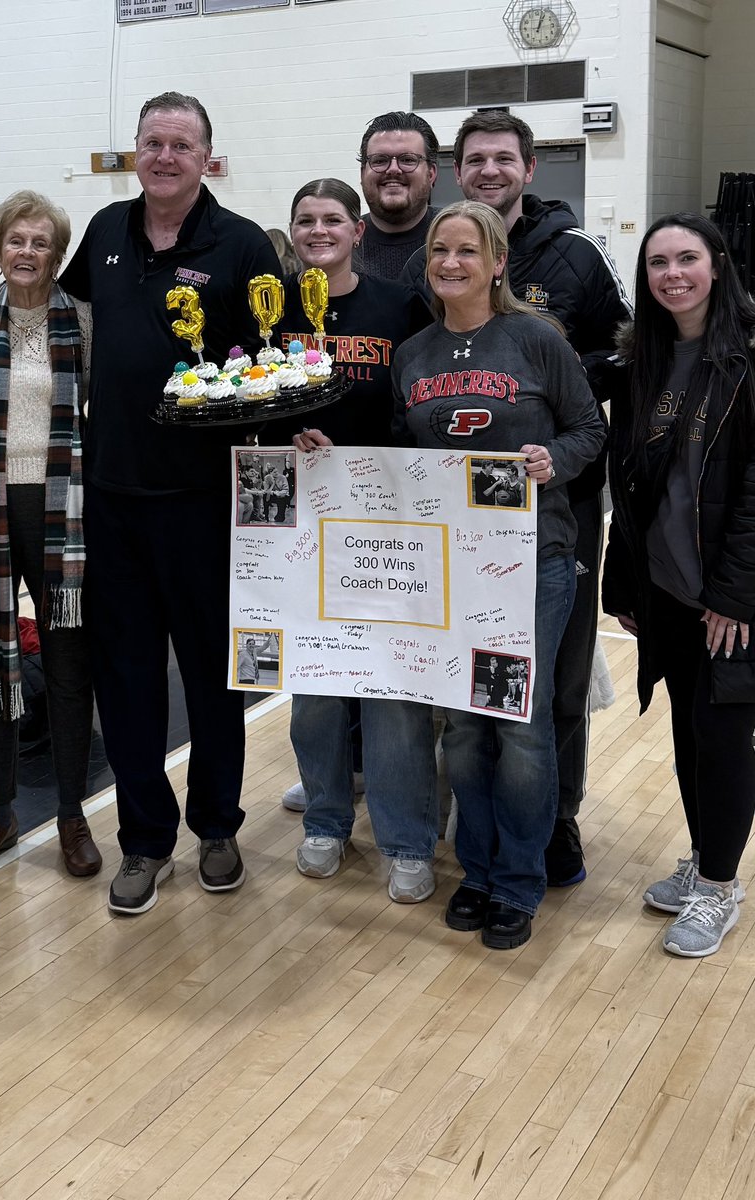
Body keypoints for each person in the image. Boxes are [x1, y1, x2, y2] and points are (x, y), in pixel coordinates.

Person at [60, 91, 281, 916]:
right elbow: (71, 326)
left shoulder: (243, 244)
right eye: (152, 142)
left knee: (216, 677)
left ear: (206, 158)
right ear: (136, 150)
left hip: (204, 504)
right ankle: (145, 840)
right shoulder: (106, 231)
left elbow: (271, 365)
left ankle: (217, 826)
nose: (164, 156)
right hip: (113, 500)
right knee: (126, 682)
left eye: (181, 144)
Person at [402, 108, 632, 888]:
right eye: (442, 250)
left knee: (529, 719)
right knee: (464, 726)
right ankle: (476, 866)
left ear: (497, 261)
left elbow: (588, 430)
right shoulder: (413, 355)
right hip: (450, 563)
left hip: (537, 554)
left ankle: (527, 870)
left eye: (469, 250)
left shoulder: (540, 332)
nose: (454, 260)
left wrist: (551, 460)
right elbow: (401, 456)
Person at [602, 212, 755, 956]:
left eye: (686, 258)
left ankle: (720, 887)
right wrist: (622, 584)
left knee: (722, 738)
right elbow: (631, 488)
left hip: (737, 597)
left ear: (717, 264)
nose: (672, 275)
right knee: (690, 734)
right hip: (669, 590)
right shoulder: (645, 362)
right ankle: (702, 862)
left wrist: (734, 594)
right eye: (657, 263)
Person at [271, 177, 439, 903]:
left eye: (331, 219)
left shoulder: (397, 305)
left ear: (357, 230)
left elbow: (418, 401)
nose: (318, 230)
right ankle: (327, 821)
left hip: (385, 521)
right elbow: (245, 393)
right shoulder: (270, 308)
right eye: (305, 220)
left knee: (392, 686)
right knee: (314, 686)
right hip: (300, 522)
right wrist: (284, 437)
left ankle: (406, 839)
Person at [0, 191, 101, 882]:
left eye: (42, 242)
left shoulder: (86, 321)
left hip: (62, 511)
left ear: (58, 253)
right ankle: (1, 811)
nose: (28, 252)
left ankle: (72, 813)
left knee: (69, 667)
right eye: (17, 240)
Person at [354, 111, 440, 281]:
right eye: (379, 160)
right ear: (363, 174)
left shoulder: (463, 237)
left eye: (408, 159)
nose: (393, 169)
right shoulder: (342, 245)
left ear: (431, 174)